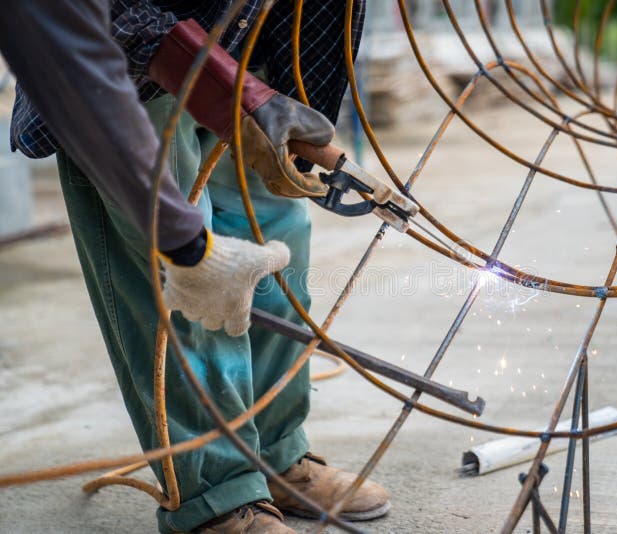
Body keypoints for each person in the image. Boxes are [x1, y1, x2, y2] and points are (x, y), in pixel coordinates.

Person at [6, 1, 388, 533]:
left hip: (260, 48)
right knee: (191, 287)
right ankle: (219, 492)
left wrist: (278, 95)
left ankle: (275, 456)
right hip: (137, 68)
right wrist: (186, 244)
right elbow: (90, 36)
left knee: (277, 251)